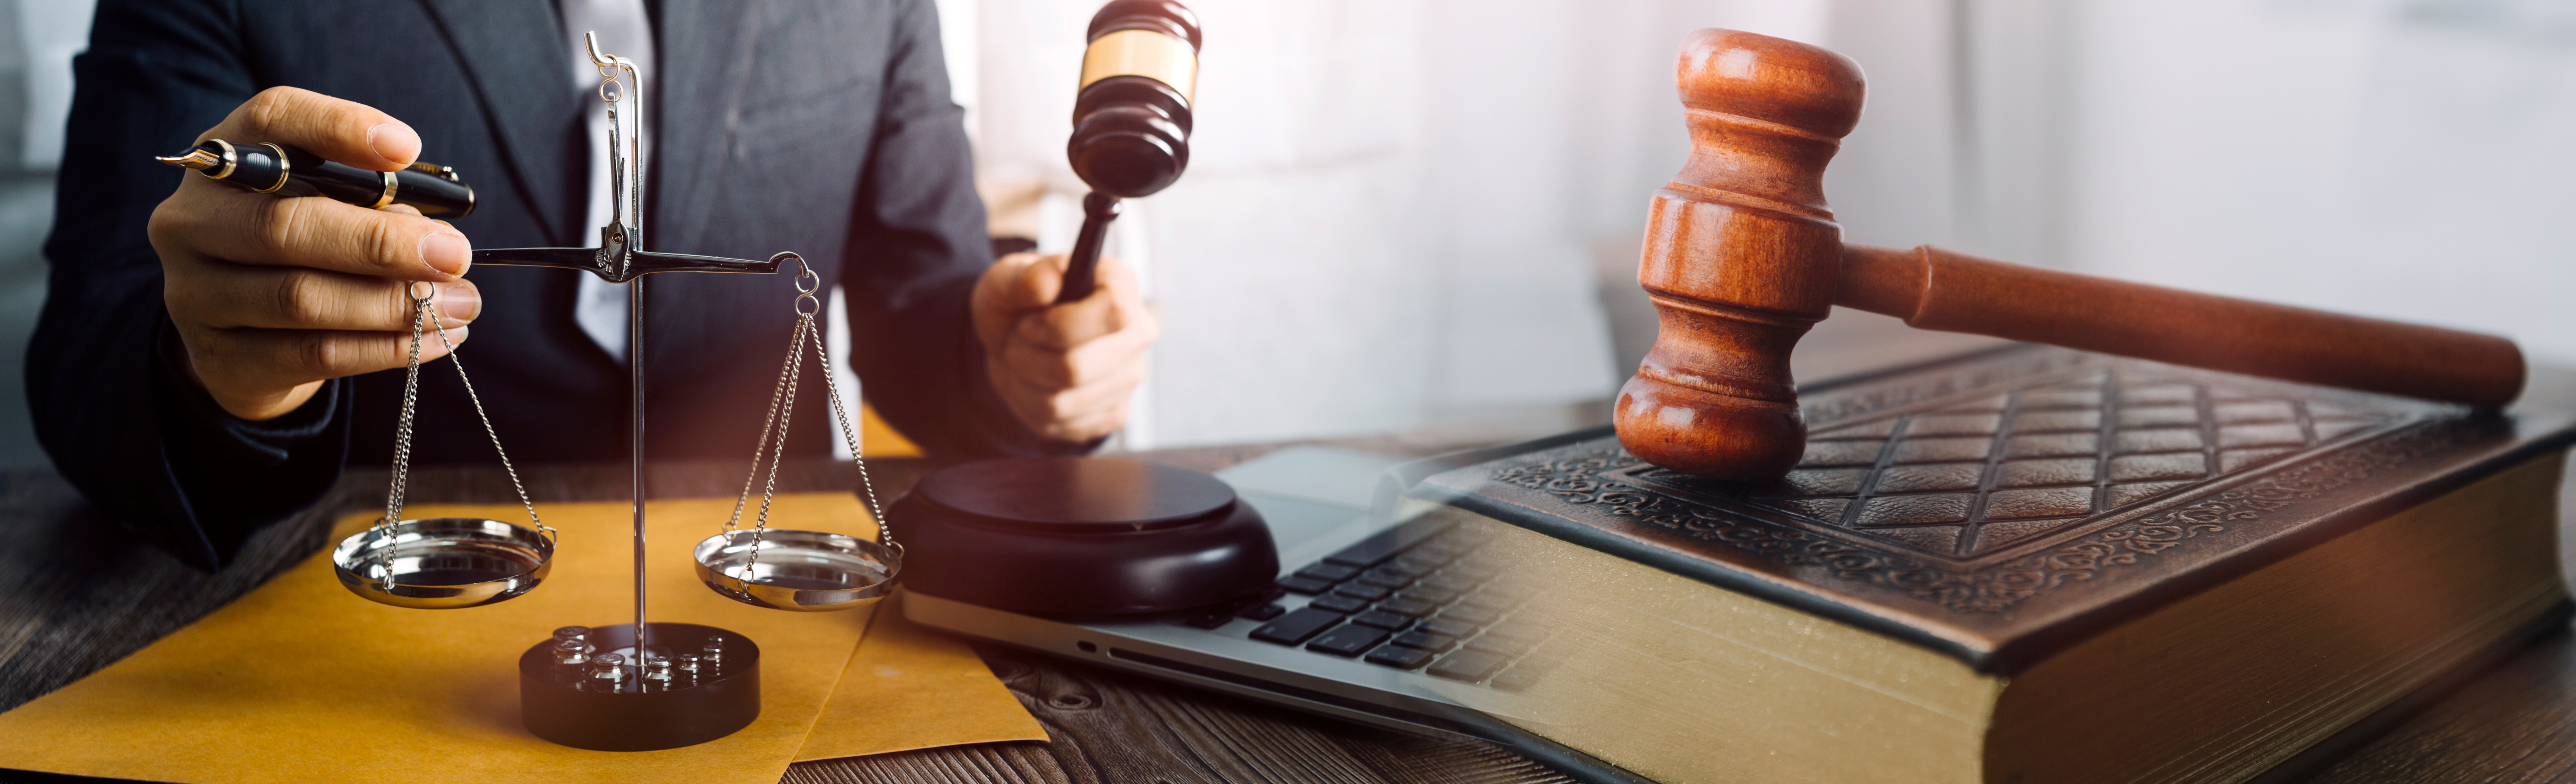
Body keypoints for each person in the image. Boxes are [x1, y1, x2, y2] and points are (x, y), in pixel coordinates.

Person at [26, 0, 1159, 570]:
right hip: (377, 584)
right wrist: (222, 371)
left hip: (762, 581)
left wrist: (1021, 366)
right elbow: (92, 343)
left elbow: (928, 309)